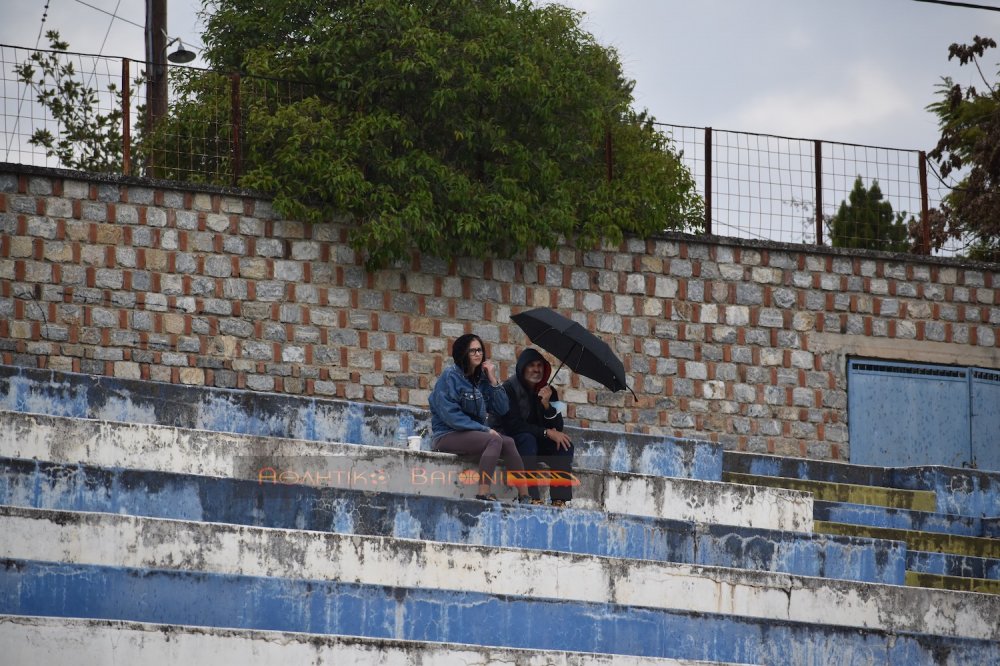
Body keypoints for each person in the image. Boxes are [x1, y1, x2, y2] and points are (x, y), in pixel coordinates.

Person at [428, 333, 533, 503]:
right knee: (494, 440)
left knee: (508, 442)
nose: (478, 354)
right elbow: (451, 417)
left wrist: (493, 381)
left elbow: (503, 408)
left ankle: (525, 496)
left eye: (480, 350)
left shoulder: (482, 379)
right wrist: (485, 429)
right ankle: (483, 493)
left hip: (473, 436)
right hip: (447, 435)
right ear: (463, 353)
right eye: (473, 351)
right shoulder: (450, 377)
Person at [493, 347, 574, 507]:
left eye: (540, 366)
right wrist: (545, 432)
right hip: (513, 440)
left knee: (564, 445)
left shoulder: (550, 392)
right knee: (527, 439)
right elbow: (513, 425)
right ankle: (532, 496)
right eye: (531, 365)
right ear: (522, 368)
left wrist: (547, 406)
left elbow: (558, 425)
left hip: (537, 441)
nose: (536, 370)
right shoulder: (509, 388)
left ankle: (559, 499)